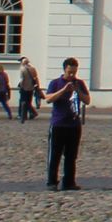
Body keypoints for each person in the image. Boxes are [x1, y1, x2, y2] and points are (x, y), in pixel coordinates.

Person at [40, 57, 91, 191]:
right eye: (70, 72)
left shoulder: (79, 83)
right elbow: (48, 99)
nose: (72, 75)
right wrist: (63, 90)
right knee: (54, 155)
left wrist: (77, 90)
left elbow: (87, 100)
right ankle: (52, 182)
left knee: (71, 155)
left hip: (74, 125)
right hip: (58, 124)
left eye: (74, 72)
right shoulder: (56, 83)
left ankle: (69, 181)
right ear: (64, 70)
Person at [17, 58, 41, 123]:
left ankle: (24, 115)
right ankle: (31, 113)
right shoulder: (33, 68)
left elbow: (22, 79)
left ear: (23, 62)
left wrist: (20, 86)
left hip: (24, 87)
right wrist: (37, 86)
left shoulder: (22, 69)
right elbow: (36, 78)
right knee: (28, 101)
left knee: (23, 101)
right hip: (31, 87)